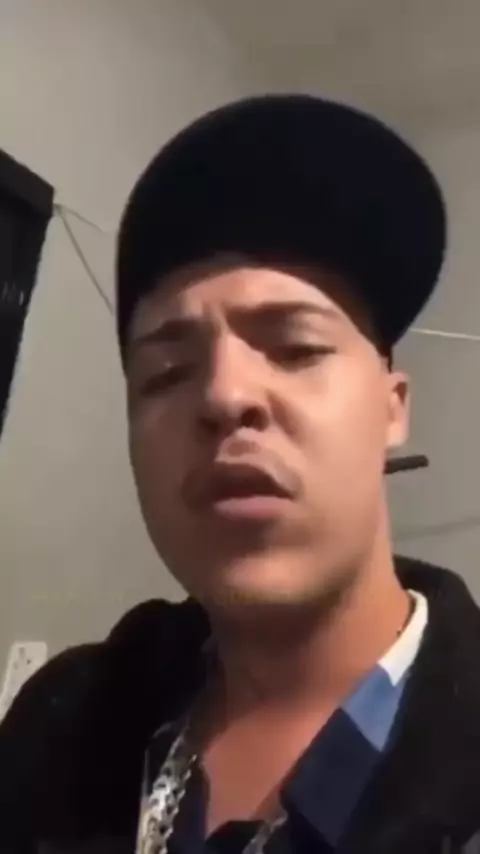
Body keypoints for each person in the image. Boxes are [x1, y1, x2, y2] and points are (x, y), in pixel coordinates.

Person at [1, 94, 479, 854]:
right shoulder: (54, 732)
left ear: (392, 409)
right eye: (167, 373)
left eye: (295, 348)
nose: (224, 397)